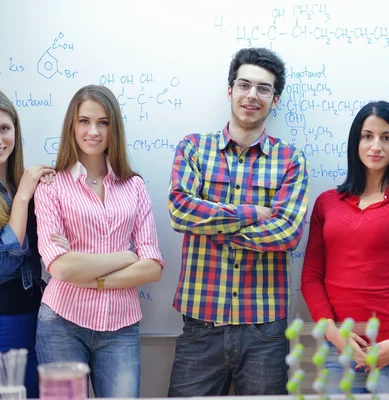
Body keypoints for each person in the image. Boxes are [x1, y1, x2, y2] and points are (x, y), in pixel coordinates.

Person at [167, 47, 308, 397]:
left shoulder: (290, 159)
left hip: (265, 331)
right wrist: (250, 214)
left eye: (263, 89)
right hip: (201, 324)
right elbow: (180, 211)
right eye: (244, 85)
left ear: (275, 100)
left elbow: (288, 232)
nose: (252, 95)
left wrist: (214, 227)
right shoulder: (194, 148)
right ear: (230, 90)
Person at [34, 85, 164, 398]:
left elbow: (153, 267)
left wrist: (93, 277)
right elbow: (61, 267)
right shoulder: (51, 186)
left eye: (103, 122)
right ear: (72, 126)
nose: (93, 131)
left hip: (121, 326)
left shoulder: (133, 186)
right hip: (61, 322)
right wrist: (126, 256)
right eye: (84, 121)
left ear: (113, 128)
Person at [301, 101, 389, 394]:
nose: (376, 146)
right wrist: (332, 332)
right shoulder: (327, 203)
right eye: (367, 136)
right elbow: (311, 276)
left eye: (387, 137)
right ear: (355, 142)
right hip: (338, 349)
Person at [0, 90, 54, 398]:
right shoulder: (22, 189)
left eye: (4, 128)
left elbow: (39, 252)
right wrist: (23, 196)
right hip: (4, 322)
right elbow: (5, 263)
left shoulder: (23, 181)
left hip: (36, 318)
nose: (0, 138)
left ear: (15, 132)